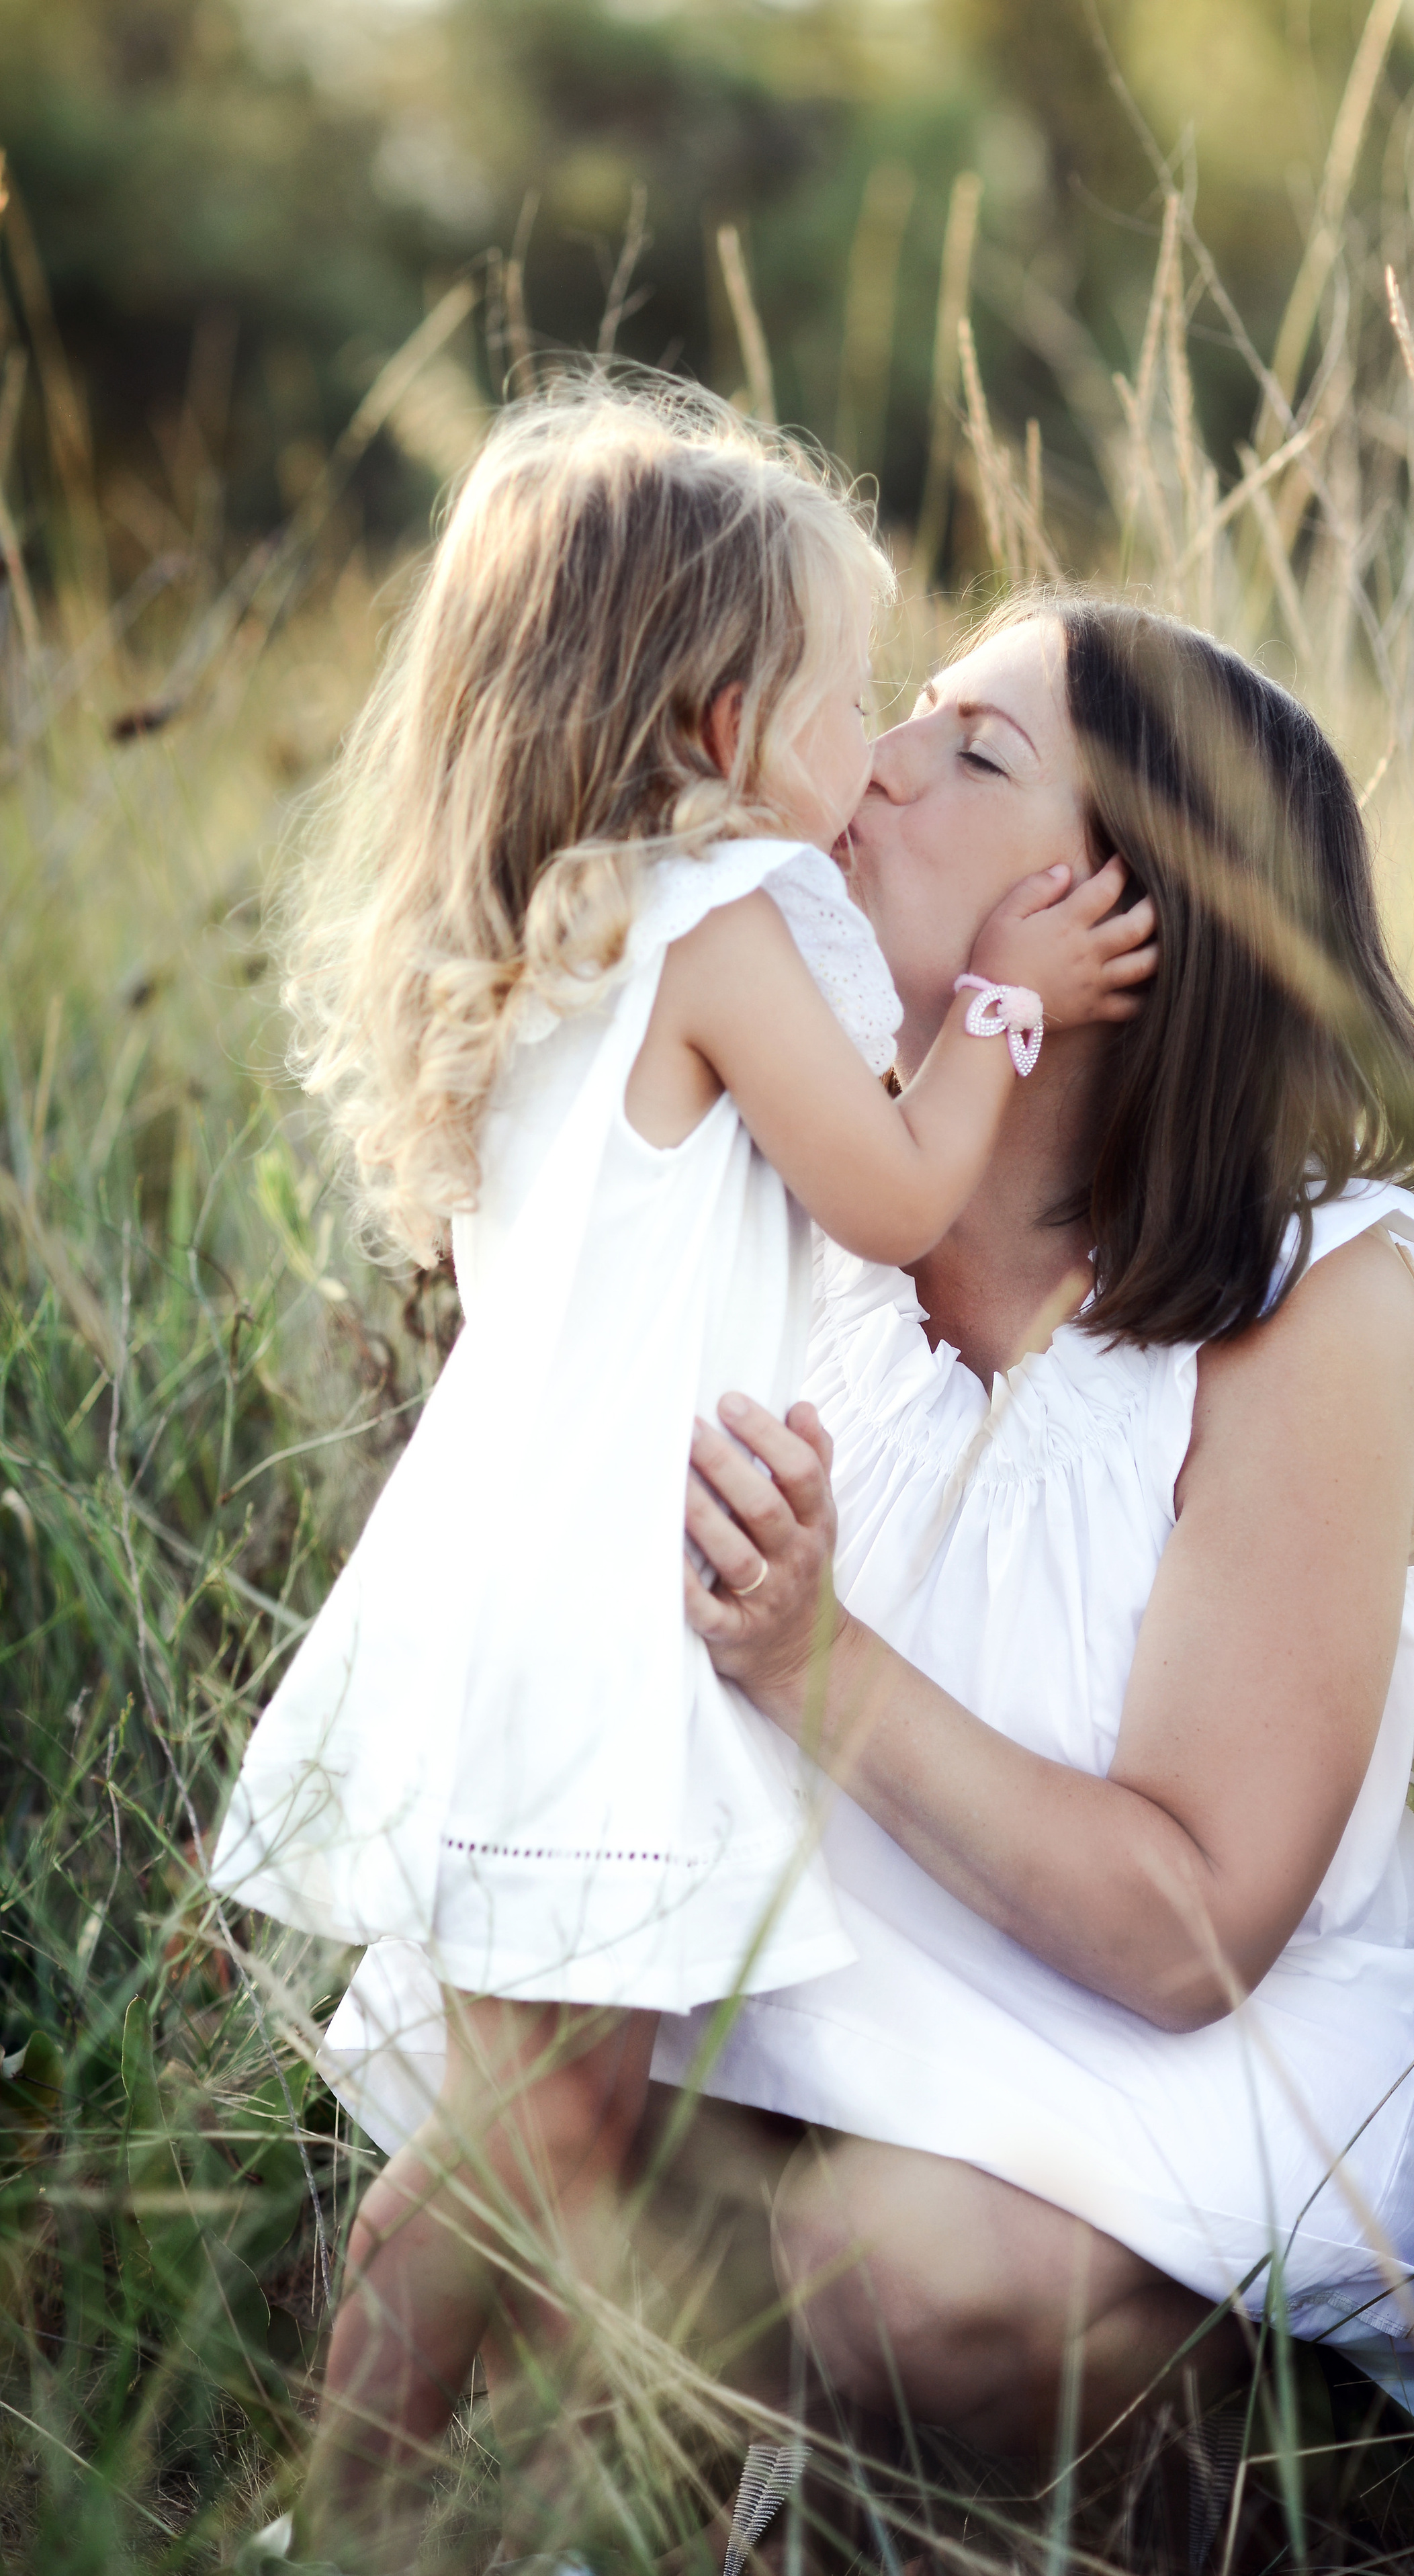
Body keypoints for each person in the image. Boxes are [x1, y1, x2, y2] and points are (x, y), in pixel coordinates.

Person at [210, 393, 1154, 2572]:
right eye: (846, 697)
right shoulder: (725, 915)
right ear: (725, 723)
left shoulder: (584, 923)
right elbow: (898, 1192)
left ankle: (510, 2508)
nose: (876, 750)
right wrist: (1006, 1009)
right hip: (601, 1619)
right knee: (543, 2126)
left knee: (565, 2108)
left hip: (528, 1583)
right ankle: (341, 2517)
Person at [662, 596, 1414, 2456]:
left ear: (1140, 922)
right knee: (510, 2116)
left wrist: (809, 1657)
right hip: (889, 1954)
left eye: (972, 752)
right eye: (909, 711)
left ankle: (1263, 2432)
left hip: (1232, 2024)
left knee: (890, 2286)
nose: (872, 764)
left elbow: (1192, 1932)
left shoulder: (1317, 1304)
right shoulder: (818, 1177)